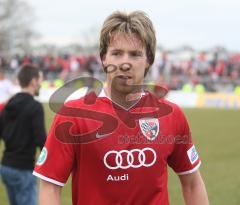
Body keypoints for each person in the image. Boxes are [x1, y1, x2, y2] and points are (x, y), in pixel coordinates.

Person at [33, 11, 209, 205]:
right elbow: (50, 186)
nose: (125, 63)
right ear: (104, 59)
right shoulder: (73, 117)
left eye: (135, 54)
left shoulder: (172, 115)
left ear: (148, 60)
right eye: (117, 53)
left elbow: (192, 183)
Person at [0, 64, 46, 205]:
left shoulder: (9, 104)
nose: (40, 84)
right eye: (39, 80)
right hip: (23, 168)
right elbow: (41, 139)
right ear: (33, 81)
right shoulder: (35, 106)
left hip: (6, 166)